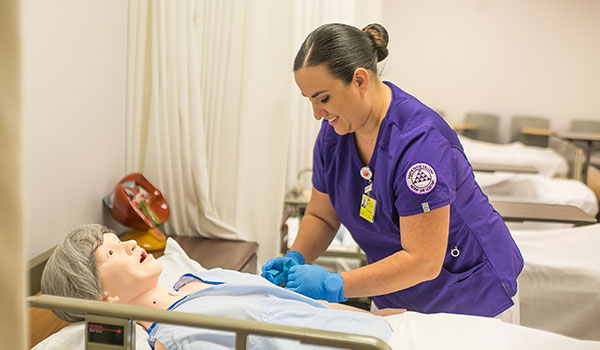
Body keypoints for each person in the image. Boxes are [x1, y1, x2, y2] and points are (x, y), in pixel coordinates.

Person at [261, 23, 524, 322]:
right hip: (395, 292)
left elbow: (423, 260)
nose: (317, 113)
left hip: (470, 297)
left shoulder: (419, 143)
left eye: (323, 98)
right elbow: (322, 216)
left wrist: (335, 285)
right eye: (309, 99)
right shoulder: (334, 135)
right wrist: (295, 257)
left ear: (359, 80)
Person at [41, 224, 402, 350]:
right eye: (112, 252)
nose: (132, 245)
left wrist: (379, 315)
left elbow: (302, 308)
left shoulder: (192, 279)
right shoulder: (173, 336)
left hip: (384, 330)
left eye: (120, 240)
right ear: (105, 298)